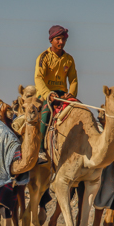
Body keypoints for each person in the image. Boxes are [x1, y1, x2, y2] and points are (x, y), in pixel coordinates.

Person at [34, 25, 78, 162]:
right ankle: (40, 150)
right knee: (46, 112)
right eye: (58, 39)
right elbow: (38, 78)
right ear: (51, 40)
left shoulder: (69, 59)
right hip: (46, 94)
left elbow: (74, 79)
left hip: (63, 95)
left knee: (79, 110)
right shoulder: (43, 57)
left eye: (63, 39)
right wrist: (48, 94)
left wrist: (71, 94)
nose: (61, 42)